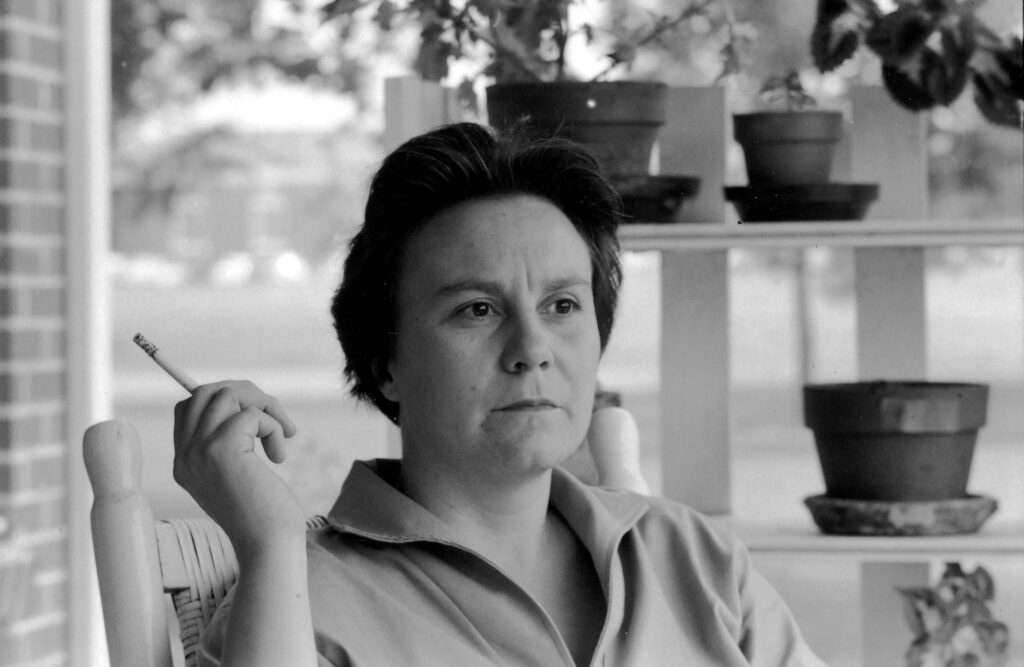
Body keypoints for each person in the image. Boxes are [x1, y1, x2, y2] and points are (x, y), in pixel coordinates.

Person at [173, 122, 827, 666]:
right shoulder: (300, 605)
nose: (532, 348)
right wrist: (271, 544)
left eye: (562, 305)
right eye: (477, 309)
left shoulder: (692, 558)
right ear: (386, 362)